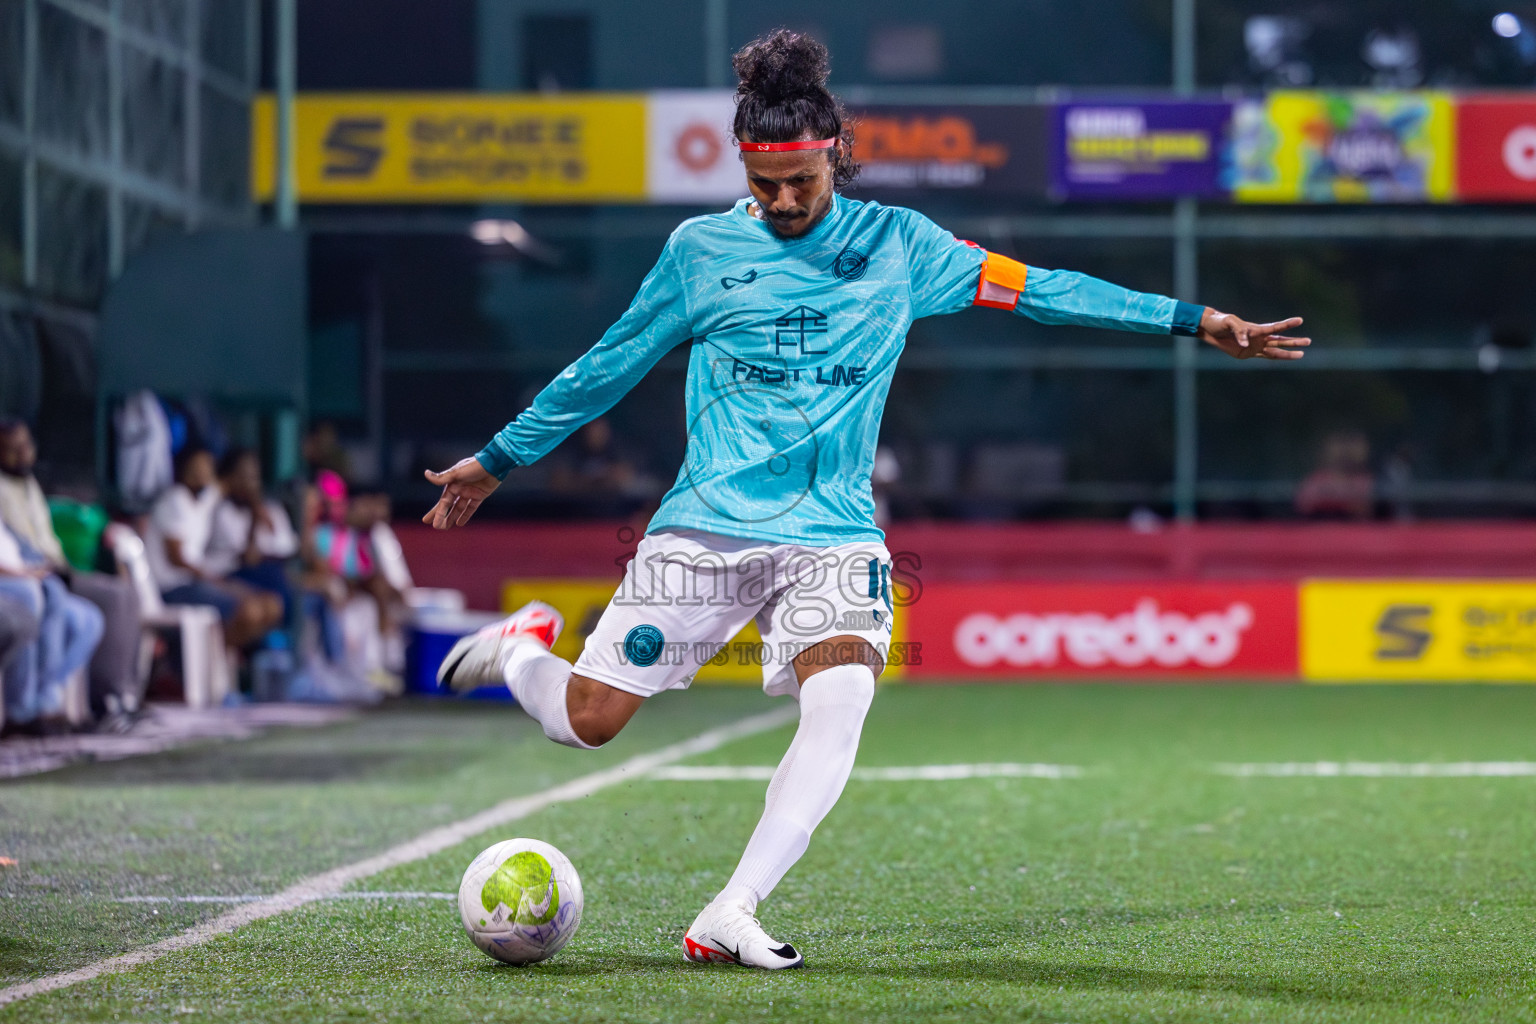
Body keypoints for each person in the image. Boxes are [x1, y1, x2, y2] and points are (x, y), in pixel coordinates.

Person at [423, 31, 1310, 970]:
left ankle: (732, 906)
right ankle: (523, 653)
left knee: (842, 694)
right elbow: (605, 368)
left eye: (802, 180)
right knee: (589, 722)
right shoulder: (700, 252)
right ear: (743, 168)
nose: (785, 201)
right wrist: (497, 458)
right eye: (766, 186)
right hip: (705, 527)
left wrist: (1191, 317)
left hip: (833, 534)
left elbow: (1043, 290)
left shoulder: (902, 247)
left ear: (835, 152)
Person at [0, 419, 145, 718]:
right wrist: (34, 570)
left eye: (25, 446)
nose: (22, 454)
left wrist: (51, 568)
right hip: (30, 575)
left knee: (91, 618)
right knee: (102, 598)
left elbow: (41, 545)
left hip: (50, 569)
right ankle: (27, 705)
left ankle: (64, 697)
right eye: (12, 449)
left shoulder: (28, 484)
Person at [146, 446, 282, 650]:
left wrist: (252, 495)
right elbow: (176, 557)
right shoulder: (175, 498)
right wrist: (212, 579)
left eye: (208, 466)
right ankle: (209, 658)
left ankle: (214, 658)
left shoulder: (199, 503)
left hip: (193, 583)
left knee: (272, 605)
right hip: (171, 588)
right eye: (198, 466)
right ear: (185, 469)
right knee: (250, 611)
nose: (204, 472)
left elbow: (224, 487)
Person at [0, 517, 100, 735]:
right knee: (34, 593)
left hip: (23, 577)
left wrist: (42, 566)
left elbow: (27, 550)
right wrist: (24, 575)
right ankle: (21, 707)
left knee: (90, 618)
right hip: (12, 583)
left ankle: (45, 699)